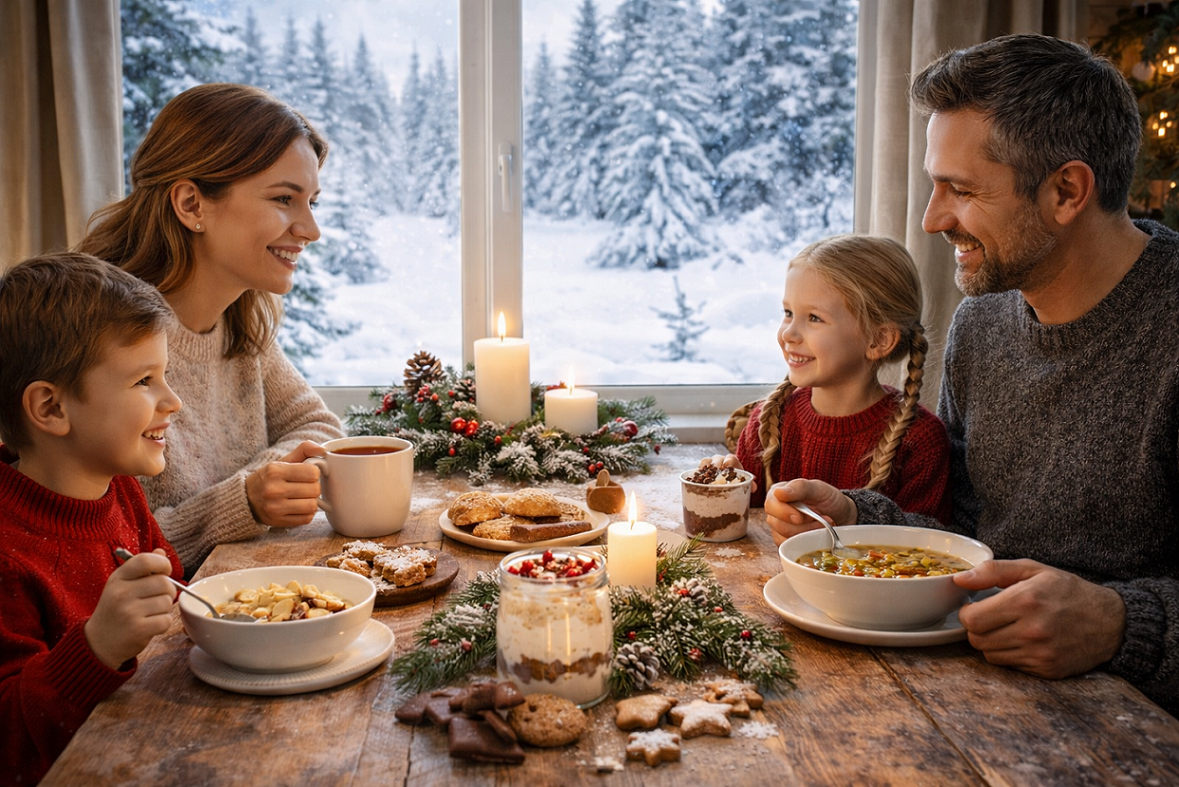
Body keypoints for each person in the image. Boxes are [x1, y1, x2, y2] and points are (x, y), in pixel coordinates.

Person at [767, 34, 1179, 714]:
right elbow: (961, 531)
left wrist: (1116, 622)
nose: (931, 219)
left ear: (1066, 191)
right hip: (970, 697)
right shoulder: (980, 325)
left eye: (957, 189)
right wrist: (854, 514)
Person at [79, 83, 345, 575]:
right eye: (285, 199)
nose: (310, 229)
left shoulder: (238, 319)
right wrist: (242, 501)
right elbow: (106, 556)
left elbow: (319, 428)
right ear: (192, 205)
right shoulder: (99, 341)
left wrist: (262, 486)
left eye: (313, 202)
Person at [0, 253, 185, 786]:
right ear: (51, 409)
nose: (172, 401)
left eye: (164, 375)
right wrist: (98, 646)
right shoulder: (9, 555)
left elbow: (173, 602)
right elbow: (10, 741)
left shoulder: (120, 490)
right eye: (143, 381)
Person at [731, 234, 950, 524]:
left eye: (814, 318)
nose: (788, 334)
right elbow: (738, 524)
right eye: (788, 313)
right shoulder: (767, 423)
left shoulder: (921, 442)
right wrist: (724, 484)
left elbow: (931, 547)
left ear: (878, 340)